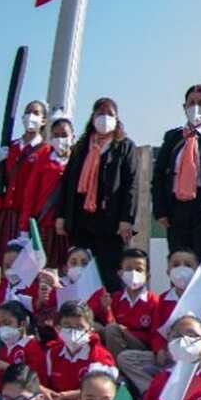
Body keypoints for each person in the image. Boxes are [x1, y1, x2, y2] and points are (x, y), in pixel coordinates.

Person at [57, 97, 139, 294]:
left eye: (109, 114)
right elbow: (67, 183)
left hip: (111, 224)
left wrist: (127, 219)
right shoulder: (81, 147)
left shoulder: (124, 146)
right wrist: (61, 216)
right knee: (83, 273)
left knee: (110, 276)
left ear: (117, 118)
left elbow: (131, 184)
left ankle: (111, 320)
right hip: (81, 222)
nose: (104, 118)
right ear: (92, 117)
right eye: (100, 113)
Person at [115, 248, 201, 393]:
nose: (181, 269)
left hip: (198, 353)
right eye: (176, 265)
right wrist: (160, 349)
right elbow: (156, 331)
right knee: (126, 358)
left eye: (187, 265)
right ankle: (154, 390)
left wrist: (198, 348)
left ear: (197, 271)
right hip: (170, 354)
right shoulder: (164, 299)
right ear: (168, 271)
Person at [153, 84, 201, 261]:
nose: (195, 107)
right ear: (184, 107)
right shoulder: (172, 137)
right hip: (176, 213)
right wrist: (160, 210)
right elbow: (158, 176)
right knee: (180, 266)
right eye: (191, 102)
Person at [0, 100, 49, 267]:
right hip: (9, 211)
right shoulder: (12, 147)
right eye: (28, 112)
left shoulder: (45, 150)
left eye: (36, 113)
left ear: (43, 120)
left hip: (30, 216)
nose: (31, 116)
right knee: (6, 260)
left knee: (26, 264)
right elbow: (5, 177)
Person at [44, 301, 117, 400]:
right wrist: (44, 391)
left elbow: (101, 392)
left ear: (90, 329)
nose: (73, 331)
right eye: (67, 325)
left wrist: (65, 396)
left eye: (79, 327)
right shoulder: (51, 353)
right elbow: (38, 382)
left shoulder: (100, 356)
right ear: (58, 328)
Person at [18, 113, 74, 264]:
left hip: (71, 228)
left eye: (64, 134)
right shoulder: (43, 161)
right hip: (45, 225)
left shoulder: (79, 162)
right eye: (56, 135)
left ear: (72, 137)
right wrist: (24, 227)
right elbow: (30, 194)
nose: (60, 138)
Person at [101, 248, 161, 359]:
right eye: (128, 269)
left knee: (112, 329)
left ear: (147, 275)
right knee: (104, 328)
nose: (133, 273)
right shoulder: (115, 298)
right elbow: (109, 325)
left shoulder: (154, 301)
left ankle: (116, 368)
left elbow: (155, 333)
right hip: (119, 344)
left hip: (142, 347)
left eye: (139, 270)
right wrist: (107, 309)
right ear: (120, 273)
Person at [0, 301, 45, 392]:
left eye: (7, 323)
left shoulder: (31, 347)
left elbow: (35, 378)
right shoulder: (3, 349)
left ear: (22, 324)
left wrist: (9, 368)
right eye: (0, 324)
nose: (3, 328)